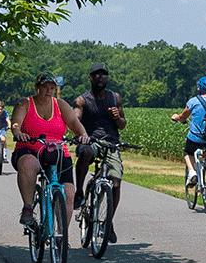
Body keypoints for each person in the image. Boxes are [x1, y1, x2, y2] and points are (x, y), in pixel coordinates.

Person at [12, 73, 89, 228]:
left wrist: (83, 135)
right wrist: (18, 133)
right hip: (30, 149)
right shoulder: (25, 103)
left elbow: (73, 121)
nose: (49, 91)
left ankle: (61, 236)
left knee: (68, 192)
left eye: (52, 88)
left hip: (57, 151)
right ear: (37, 87)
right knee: (29, 164)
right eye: (45, 87)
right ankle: (28, 208)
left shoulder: (60, 104)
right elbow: (15, 123)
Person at [71, 64, 127, 243]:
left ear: (107, 78)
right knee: (86, 152)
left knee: (116, 184)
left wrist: (117, 117)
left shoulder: (115, 97)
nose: (100, 78)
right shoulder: (83, 100)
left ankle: (108, 221)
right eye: (96, 75)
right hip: (91, 140)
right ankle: (79, 192)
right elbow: (75, 118)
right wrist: (80, 133)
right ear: (90, 78)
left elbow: (122, 125)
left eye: (103, 75)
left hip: (111, 142)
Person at [171, 76, 206, 187]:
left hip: (196, 138)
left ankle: (192, 173)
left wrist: (176, 117)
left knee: (188, 152)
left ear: (199, 88)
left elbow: (183, 117)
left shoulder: (194, 101)